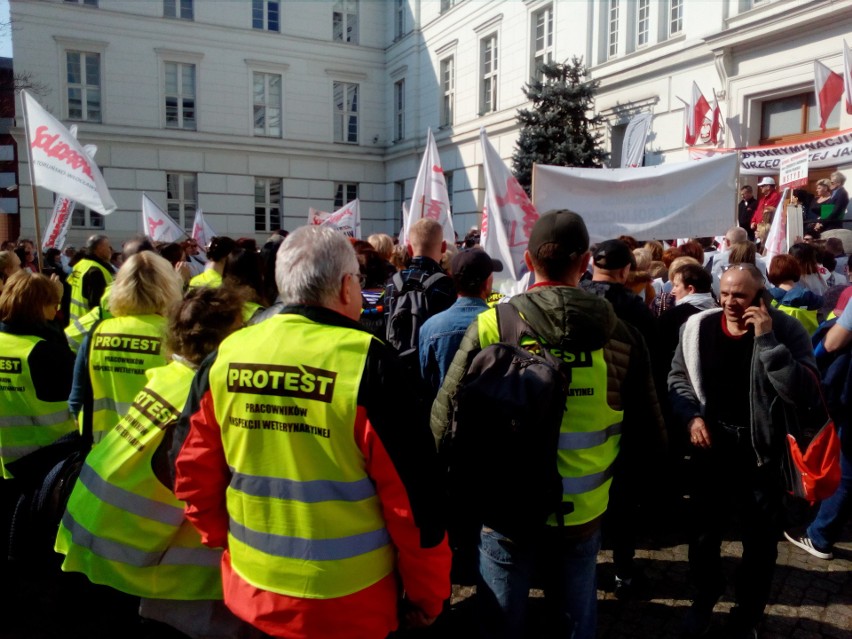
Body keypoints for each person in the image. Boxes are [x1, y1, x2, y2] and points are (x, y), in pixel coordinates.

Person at [172, 225, 451, 639]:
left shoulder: (227, 355)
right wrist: (430, 597)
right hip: (350, 606)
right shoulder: (369, 363)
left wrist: (222, 539)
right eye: (356, 280)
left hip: (253, 592)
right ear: (344, 287)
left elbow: (190, 472)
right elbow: (414, 504)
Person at [432, 210, 662, 639]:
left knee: (500, 623)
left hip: (506, 508)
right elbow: (650, 435)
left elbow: (443, 423)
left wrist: (451, 496)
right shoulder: (623, 334)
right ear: (583, 262)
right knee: (575, 619)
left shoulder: (493, 325)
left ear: (527, 258)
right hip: (584, 511)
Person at [55, 286, 250, 639]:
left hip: (93, 522)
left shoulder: (169, 377)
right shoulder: (205, 397)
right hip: (142, 553)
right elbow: (198, 489)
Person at [669, 262, 818, 638]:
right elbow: (678, 378)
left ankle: (748, 613)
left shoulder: (786, 329)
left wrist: (767, 342)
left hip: (763, 456)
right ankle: (704, 596)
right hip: (712, 450)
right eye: (725, 293)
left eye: (741, 295)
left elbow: (803, 391)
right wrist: (691, 417)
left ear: (760, 295)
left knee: (760, 544)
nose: (730, 302)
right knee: (704, 535)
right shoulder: (697, 327)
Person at [69, 251, 183, 444]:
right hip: (153, 452)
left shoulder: (97, 332)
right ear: (169, 287)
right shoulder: (175, 335)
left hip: (101, 450)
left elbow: (75, 400)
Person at [0, 271, 75, 561]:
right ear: (38, 306)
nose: (57, 310)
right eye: (52, 304)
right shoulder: (45, 353)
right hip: (41, 465)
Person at [419, 247, 502, 396]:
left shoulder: (429, 327)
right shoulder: (502, 323)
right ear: (486, 283)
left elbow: (427, 382)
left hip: (443, 414)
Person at [766, 254, 823, 334]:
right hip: (808, 343)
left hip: (779, 344)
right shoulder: (811, 298)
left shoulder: (766, 299)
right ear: (796, 270)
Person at [66, 234, 115, 326]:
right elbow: (97, 306)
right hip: (90, 326)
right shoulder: (96, 271)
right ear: (99, 248)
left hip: (75, 324)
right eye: (108, 246)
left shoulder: (80, 265)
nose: (110, 250)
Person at [751, 177, 781, 243]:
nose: (760, 188)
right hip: (760, 228)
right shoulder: (762, 199)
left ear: (768, 186)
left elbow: (768, 212)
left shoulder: (775, 196)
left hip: (767, 229)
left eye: (762, 186)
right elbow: (758, 212)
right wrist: (753, 221)